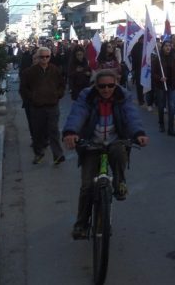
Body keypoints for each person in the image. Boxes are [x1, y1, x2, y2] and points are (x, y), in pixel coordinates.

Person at [62, 71, 149, 239]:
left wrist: (139, 133)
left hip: (115, 141)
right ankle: (81, 224)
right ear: (95, 86)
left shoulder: (123, 96)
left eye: (111, 85)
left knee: (119, 152)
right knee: (87, 186)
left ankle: (120, 183)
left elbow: (131, 116)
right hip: (91, 143)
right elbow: (77, 114)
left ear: (116, 84)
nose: (106, 89)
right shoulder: (86, 96)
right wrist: (71, 132)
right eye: (102, 86)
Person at [19, 46, 66, 165]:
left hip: (52, 105)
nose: (44, 59)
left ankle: (57, 155)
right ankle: (39, 153)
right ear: (37, 57)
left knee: (54, 130)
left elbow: (62, 84)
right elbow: (23, 89)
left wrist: (57, 95)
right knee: (38, 132)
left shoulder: (55, 70)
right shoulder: (29, 72)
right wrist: (33, 98)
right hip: (37, 106)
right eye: (42, 57)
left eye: (47, 56)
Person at [151, 40, 175, 136]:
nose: (168, 47)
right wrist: (160, 78)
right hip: (161, 86)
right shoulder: (158, 59)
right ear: (162, 47)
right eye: (166, 46)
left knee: (172, 107)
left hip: (171, 86)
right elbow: (153, 73)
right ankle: (161, 124)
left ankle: (171, 128)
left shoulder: (174, 58)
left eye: (169, 46)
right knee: (161, 106)